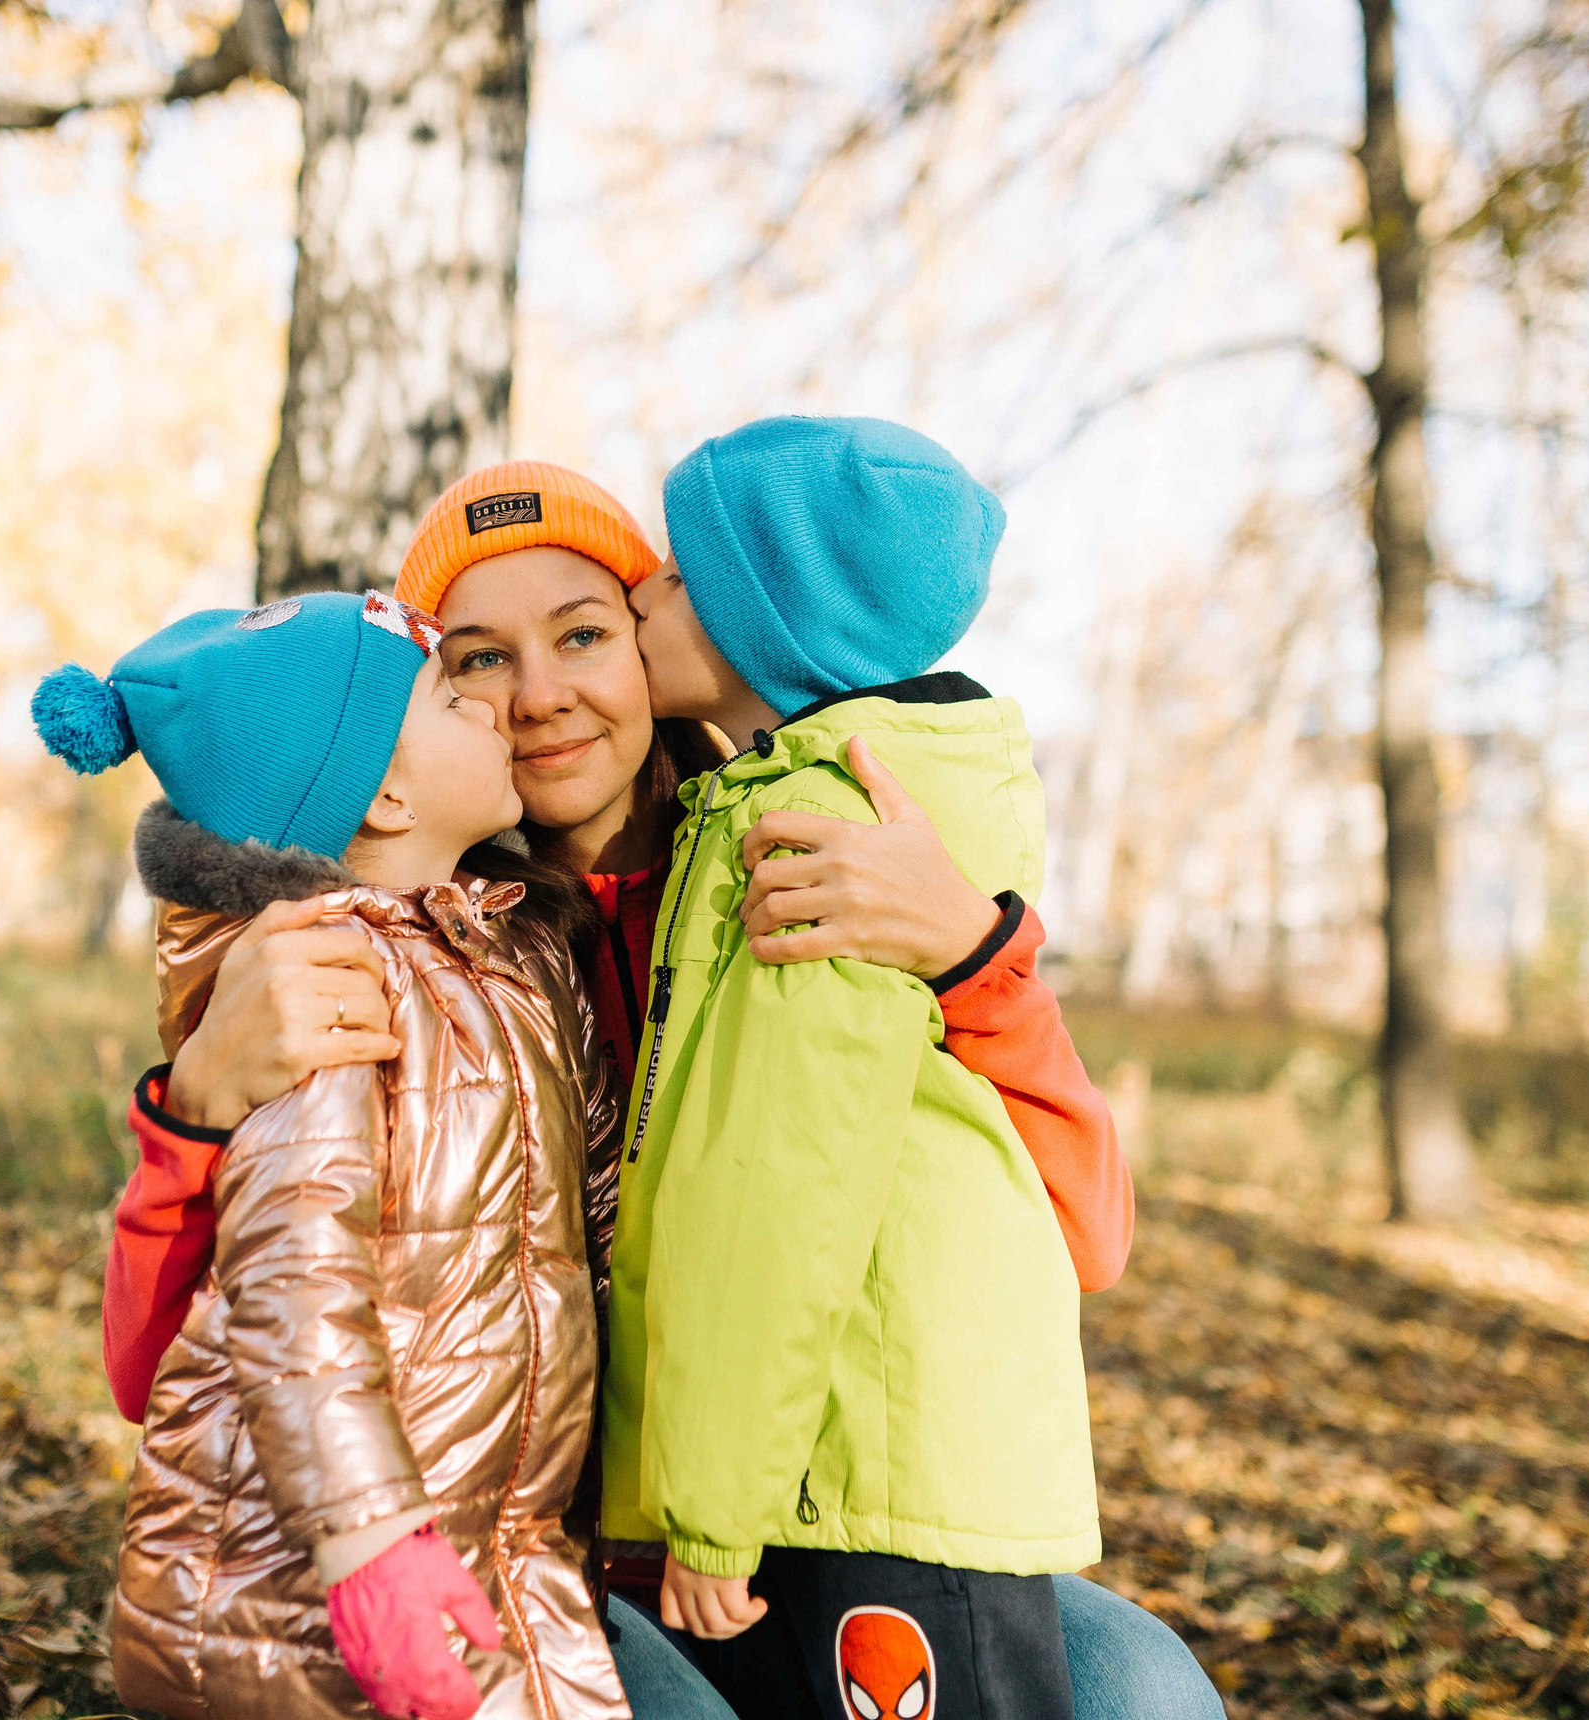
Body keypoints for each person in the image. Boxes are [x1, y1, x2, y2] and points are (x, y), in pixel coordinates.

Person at [103, 459, 1223, 1720]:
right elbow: (163, 1370)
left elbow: (1092, 1234)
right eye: (472, 659)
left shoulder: (821, 850)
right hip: (544, 1556)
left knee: (1144, 1687)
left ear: (656, 640)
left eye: (583, 632)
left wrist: (979, 958)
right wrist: (191, 1110)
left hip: (804, 1521)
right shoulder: (396, 954)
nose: (537, 696)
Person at [37, 590, 630, 1720]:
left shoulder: (512, 950)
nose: (500, 708)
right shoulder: (322, 981)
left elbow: (598, 1208)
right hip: (308, 1591)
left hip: (499, 1532)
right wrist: (369, 1540)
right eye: (460, 695)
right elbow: (293, 1291)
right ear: (388, 791)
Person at [604, 415, 1090, 1720]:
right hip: (879, 1449)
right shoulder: (822, 799)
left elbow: (775, 1184)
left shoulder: (817, 839)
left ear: (770, 625)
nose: (642, 586)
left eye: (681, 575)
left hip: (869, 1464)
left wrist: (708, 1506)